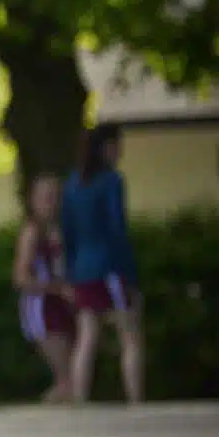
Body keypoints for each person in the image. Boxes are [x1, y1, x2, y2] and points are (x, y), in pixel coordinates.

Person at [62, 123, 144, 405]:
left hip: (83, 269)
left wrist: (71, 273)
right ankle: (135, 399)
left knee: (87, 337)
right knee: (129, 335)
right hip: (109, 267)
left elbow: (68, 233)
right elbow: (117, 230)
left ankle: (80, 399)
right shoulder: (112, 181)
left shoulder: (73, 184)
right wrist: (130, 274)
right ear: (106, 147)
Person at [15, 174, 76, 405]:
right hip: (41, 308)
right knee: (66, 378)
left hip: (62, 305)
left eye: (55, 197)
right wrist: (57, 289)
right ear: (33, 200)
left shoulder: (60, 230)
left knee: (69, 376)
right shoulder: (32, 232)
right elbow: (21, 277)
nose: (51, 203)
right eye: (46, 197)